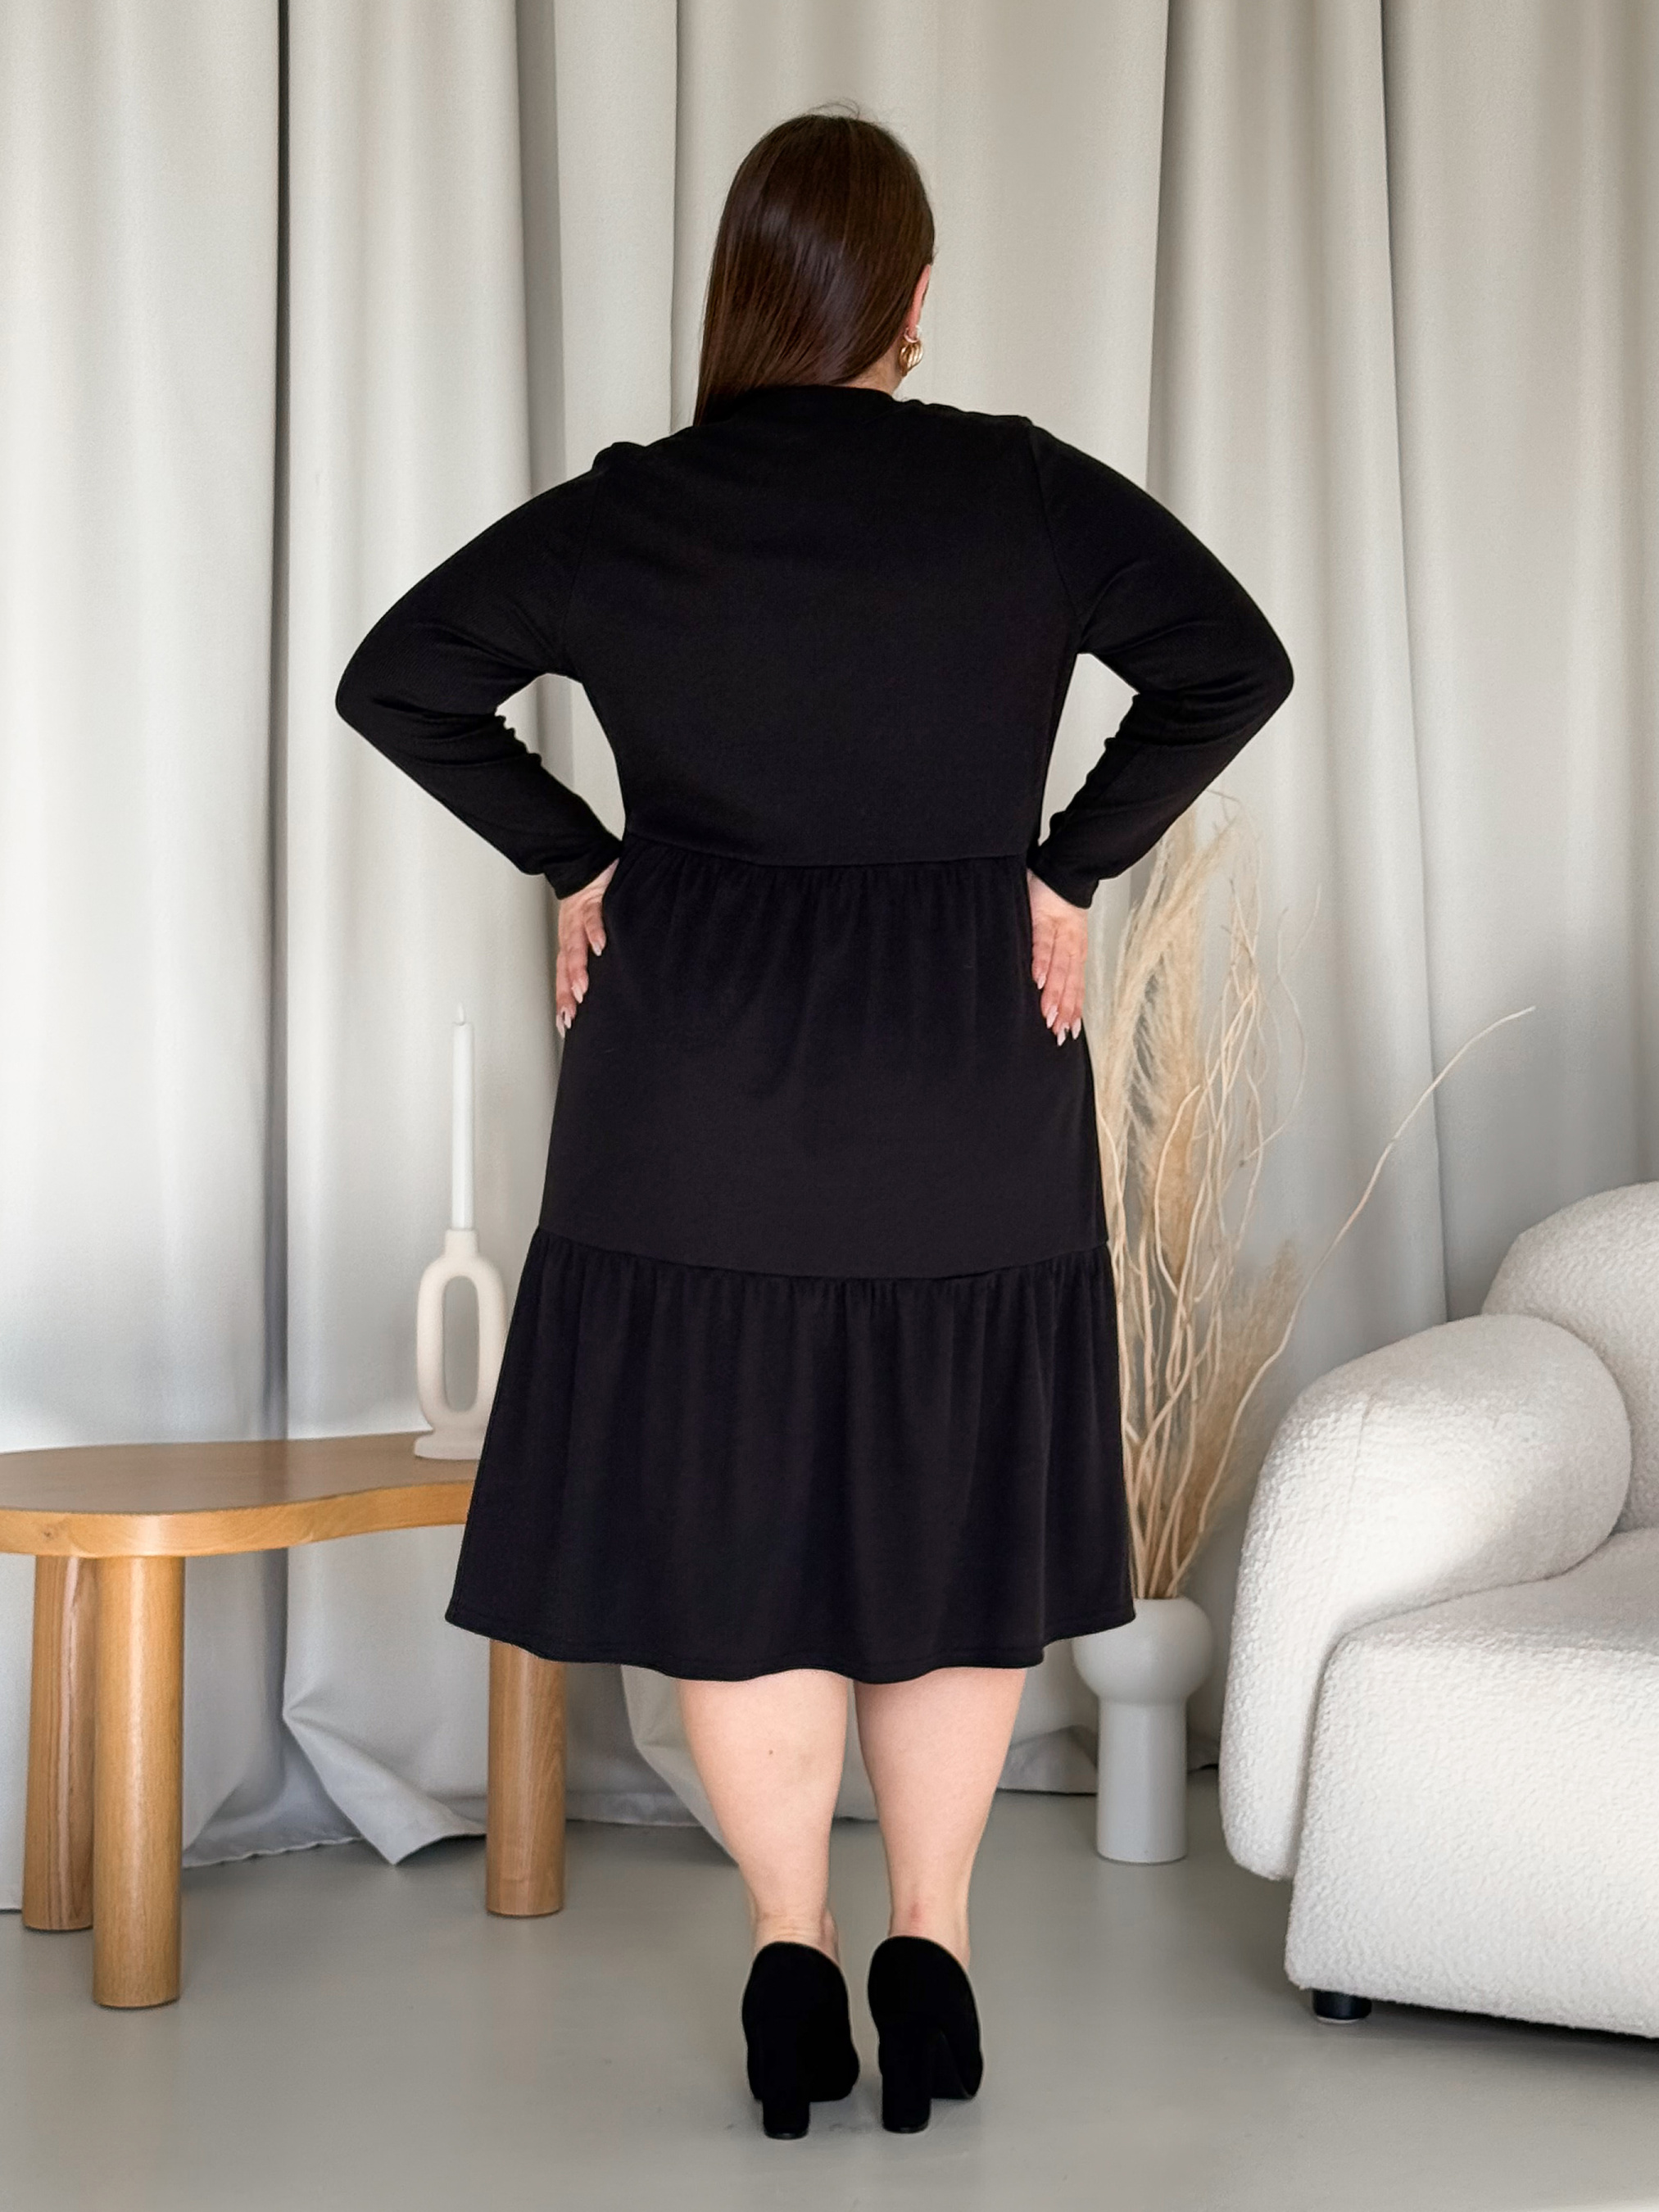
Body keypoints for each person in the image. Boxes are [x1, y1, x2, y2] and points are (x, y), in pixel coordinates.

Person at [336, 107, 1293, 2139]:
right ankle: (927, 1945)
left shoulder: (637, 511)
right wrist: (1063, 868)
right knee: (945, 1499)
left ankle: (789, 1949)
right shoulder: (1015, 490)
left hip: (691, 1078)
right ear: (911, 301)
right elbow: (1231, 661)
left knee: (737, 1502)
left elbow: (399, 680)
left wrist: (577, 854)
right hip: (961, 1058)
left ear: (740, 289)